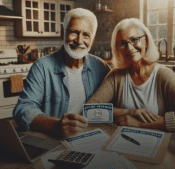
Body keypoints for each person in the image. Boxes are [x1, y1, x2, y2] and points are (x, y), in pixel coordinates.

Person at [86, 18, 175, 132]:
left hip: (158, 144)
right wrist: (130, 112)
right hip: (122, 141)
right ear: (118, 49)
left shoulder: (164, 75)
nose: (130, 48)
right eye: (122, 43)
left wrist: (139, 123)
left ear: (146, 41)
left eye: (135, 39)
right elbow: (89, 111)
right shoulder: (116, 76)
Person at [13, 8, 111, 138]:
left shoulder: (101, 67)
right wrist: (55, 125)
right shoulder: (42, 67)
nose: (79, 41)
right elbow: (23, 110)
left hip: (91, 136)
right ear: (62, 33)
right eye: (74, 32)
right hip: (52, 139)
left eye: (86, 35)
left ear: (92, 40)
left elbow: (115, 103)